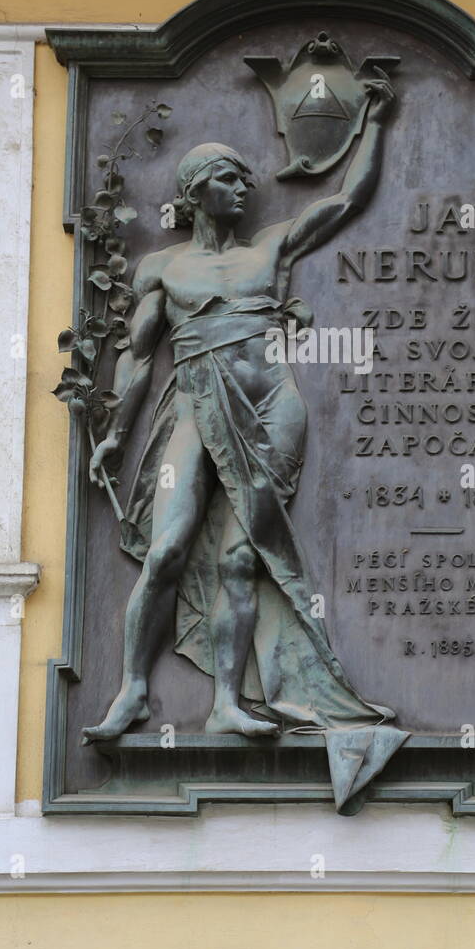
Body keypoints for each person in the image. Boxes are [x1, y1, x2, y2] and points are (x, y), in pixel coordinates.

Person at [83, 74, 407, 808]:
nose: (245, 186)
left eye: (244, 176)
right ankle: (134, 689)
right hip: (195, 403)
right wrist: (112, 435)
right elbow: (137, 357)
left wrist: (375, 123)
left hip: (271, 405)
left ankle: (228, 700)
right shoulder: (161, 267)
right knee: (167, 547)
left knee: (241, 558)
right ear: (198, 189)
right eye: (231, 177)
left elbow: (347, 202)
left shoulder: (270, 248)